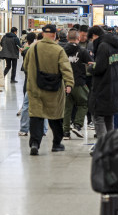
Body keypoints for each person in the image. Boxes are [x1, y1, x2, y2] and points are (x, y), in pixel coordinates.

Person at [22, 24, 74, 155]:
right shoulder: (58, 50)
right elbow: (66, 69)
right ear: (54, 35)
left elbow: (25, 66)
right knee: (56, 117)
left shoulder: (33, 48)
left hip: (35, 89)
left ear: (43, 34)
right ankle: (56, 144)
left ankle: (35, 143)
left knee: (36, 116)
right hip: (54, 90)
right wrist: (69, 84)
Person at [87, 25, 118, 147]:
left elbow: (100, 68)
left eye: (91, 39)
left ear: (94, 36)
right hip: (114, 86)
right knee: (109, 116)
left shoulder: (103, 46)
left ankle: (102, 146)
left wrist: (91, 67)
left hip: (103, 86)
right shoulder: (116, 46)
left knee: (98, 116)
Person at [63, 29, 93, 139]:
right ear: (78, 38)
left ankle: (65, 132)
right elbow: (91, 64)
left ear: (67, 38)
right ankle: (77, 125)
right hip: (79, 82)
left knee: (67, 107)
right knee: (84, 103)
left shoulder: (62, 51)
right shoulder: (82, 51)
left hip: (65, 83)